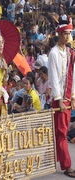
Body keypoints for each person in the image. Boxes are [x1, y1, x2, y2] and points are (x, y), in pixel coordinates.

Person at [48, 16, 75, 178]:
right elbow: (53, 78)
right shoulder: (53, 53)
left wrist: (72, 96)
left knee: (61, 132)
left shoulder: (70, 53)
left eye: (69, 33)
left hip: (67, 99)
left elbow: (73, 75)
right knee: (61, 132)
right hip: (59, 100)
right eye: (65, 33)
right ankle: (66, 165)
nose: (68, 36)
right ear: (59, 34)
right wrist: (59, 99)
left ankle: (53, 159)